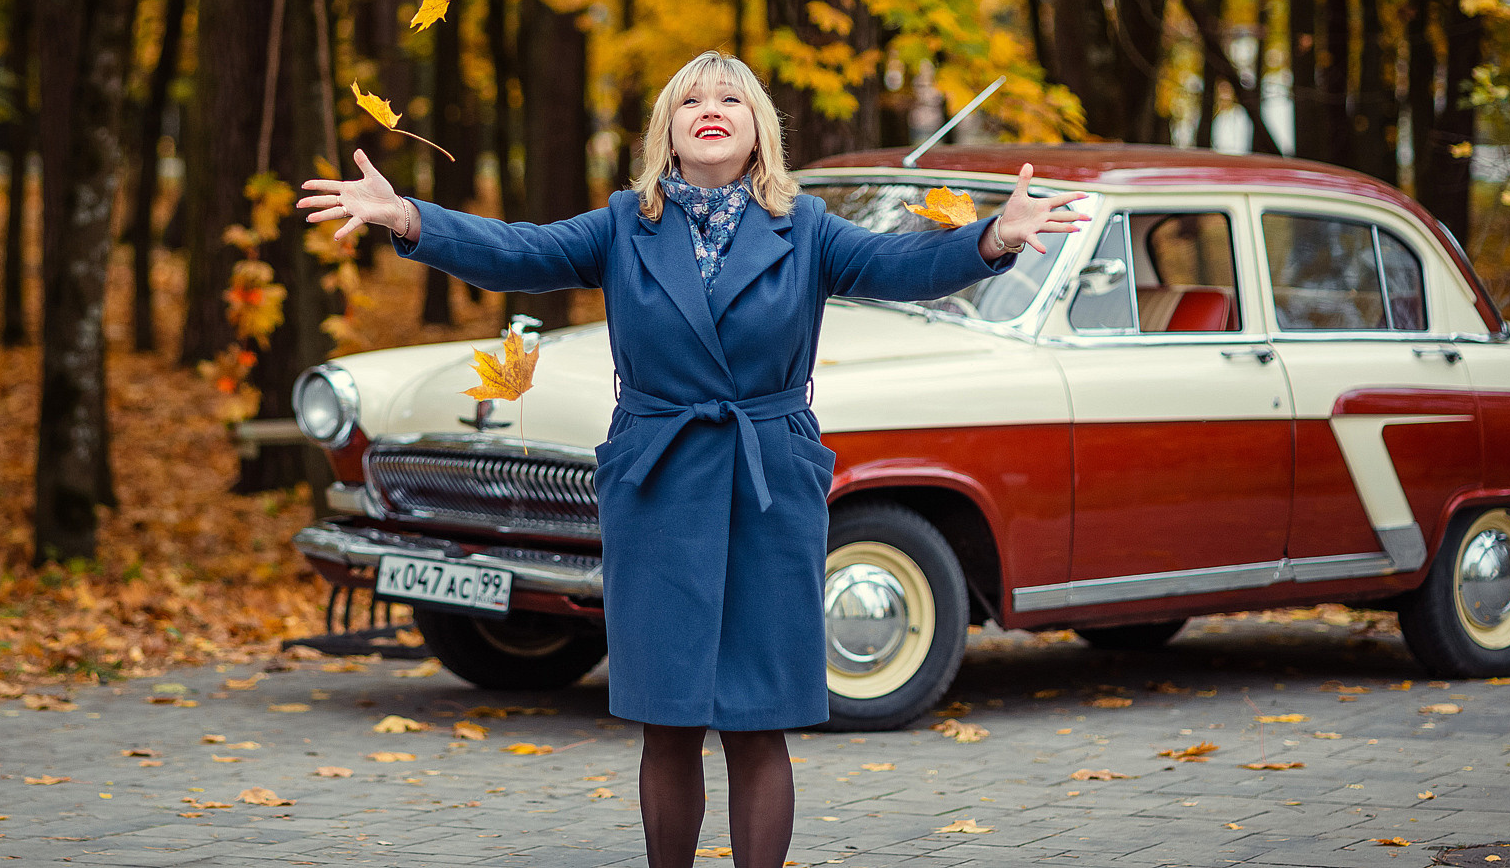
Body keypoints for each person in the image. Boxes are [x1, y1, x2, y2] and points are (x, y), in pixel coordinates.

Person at [298, 51, 1087, 868]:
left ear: (759, 130)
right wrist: (409, 217)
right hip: (658, 482)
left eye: (730, 98)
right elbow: (518, 251)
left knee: (758, 721)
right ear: (667, 132)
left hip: (768, 481)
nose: (710, 108)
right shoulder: (622, 225)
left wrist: (992, 236)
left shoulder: (807, 227)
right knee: (668, 719)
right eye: (691, 100)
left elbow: (902, 265)